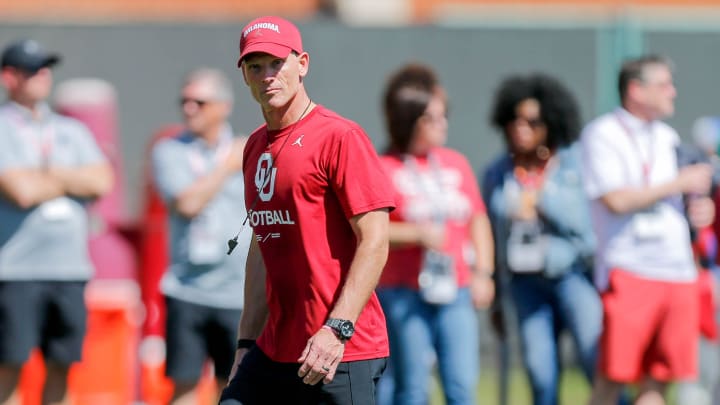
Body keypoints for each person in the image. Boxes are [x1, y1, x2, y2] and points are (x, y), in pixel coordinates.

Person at [219, 16, 395, 405]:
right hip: (275, 348)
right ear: (245, 76)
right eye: (255, 67)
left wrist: (337, 328)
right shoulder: (253, 147)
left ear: (302, 64)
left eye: (277, 63)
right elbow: (262, 246)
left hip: (341, 349)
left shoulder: (339, 136)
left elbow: (375, 239)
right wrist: (246, 342)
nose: (267, 76)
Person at [581, 54, 715, 405]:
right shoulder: (602, 133)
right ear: (636, 90)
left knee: (658, 379)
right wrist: (675, 184)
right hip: (630, 269)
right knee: (613, 376)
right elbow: (616, 199)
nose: (672, 92)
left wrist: (698, 210)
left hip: (677, 270)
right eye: (663, 84)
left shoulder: (666, 135)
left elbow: (675, 201)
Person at [0, 39, 113, 405]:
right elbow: (21, 191)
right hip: (15, 271)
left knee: (62, 365)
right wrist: (71, 180)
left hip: (68, 269)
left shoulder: (70, 129)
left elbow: (102, 181)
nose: (43, 76)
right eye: (33, 70)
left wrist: (49, 174)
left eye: (46, 69)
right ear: (9, 77)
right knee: (10, 365)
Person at [374, 63, 495, 405]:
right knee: (412, 388)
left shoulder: (455, 162)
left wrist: (483, 273)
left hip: (455, 289)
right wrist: (416, 233)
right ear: (408, 120)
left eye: (444, 116)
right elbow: (370, 231)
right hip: (403, 292)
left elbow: (478, 219)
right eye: (432, 118)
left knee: (461, 387)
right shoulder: (384, 166)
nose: (442, 125)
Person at [482, 73, 602, 405]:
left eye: (533, 121)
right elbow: (491, 234)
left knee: (595, 359)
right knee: (540, 371)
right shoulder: (498, 173)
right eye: (515, 120)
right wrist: (495, 295)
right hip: (524, 284)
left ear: (551, 122)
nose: (522, 127)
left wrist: (542, 202)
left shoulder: (573, 163)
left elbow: (586, 228)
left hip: (573, 275)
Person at [150, 68, 251, 404]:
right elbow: (188, 203)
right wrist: (225, 166)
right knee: (184, 386)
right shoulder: (169, 151)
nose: (189, 108)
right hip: (187, 289)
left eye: (200, 102)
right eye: (185, 101)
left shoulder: (250, 151)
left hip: (238, 295)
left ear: (223, 106)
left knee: (237, 386)